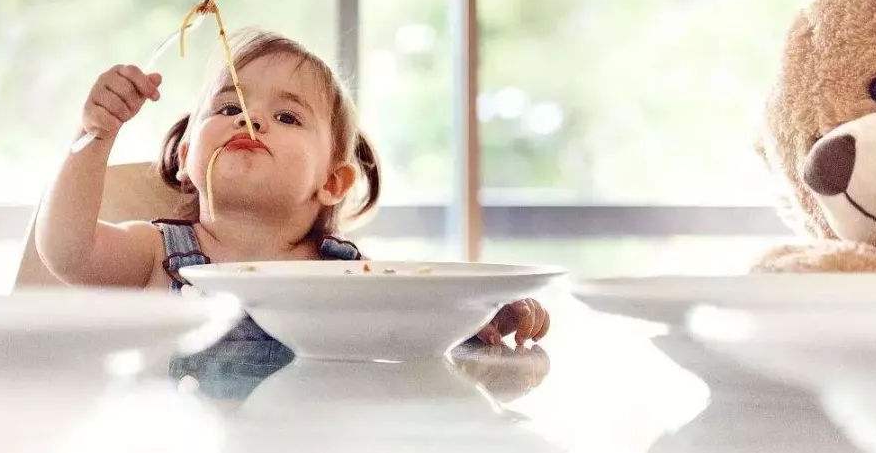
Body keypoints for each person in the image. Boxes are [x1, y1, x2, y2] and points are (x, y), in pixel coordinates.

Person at [37, 29, 550, 351]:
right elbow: (67, 251)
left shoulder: (350, 275)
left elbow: (415, 334)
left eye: (286, 116)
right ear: (186, 159)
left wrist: (482, 317)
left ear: (333, 182)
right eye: (227, 108)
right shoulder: (155, 253)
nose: (250, 117)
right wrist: (97, 133)